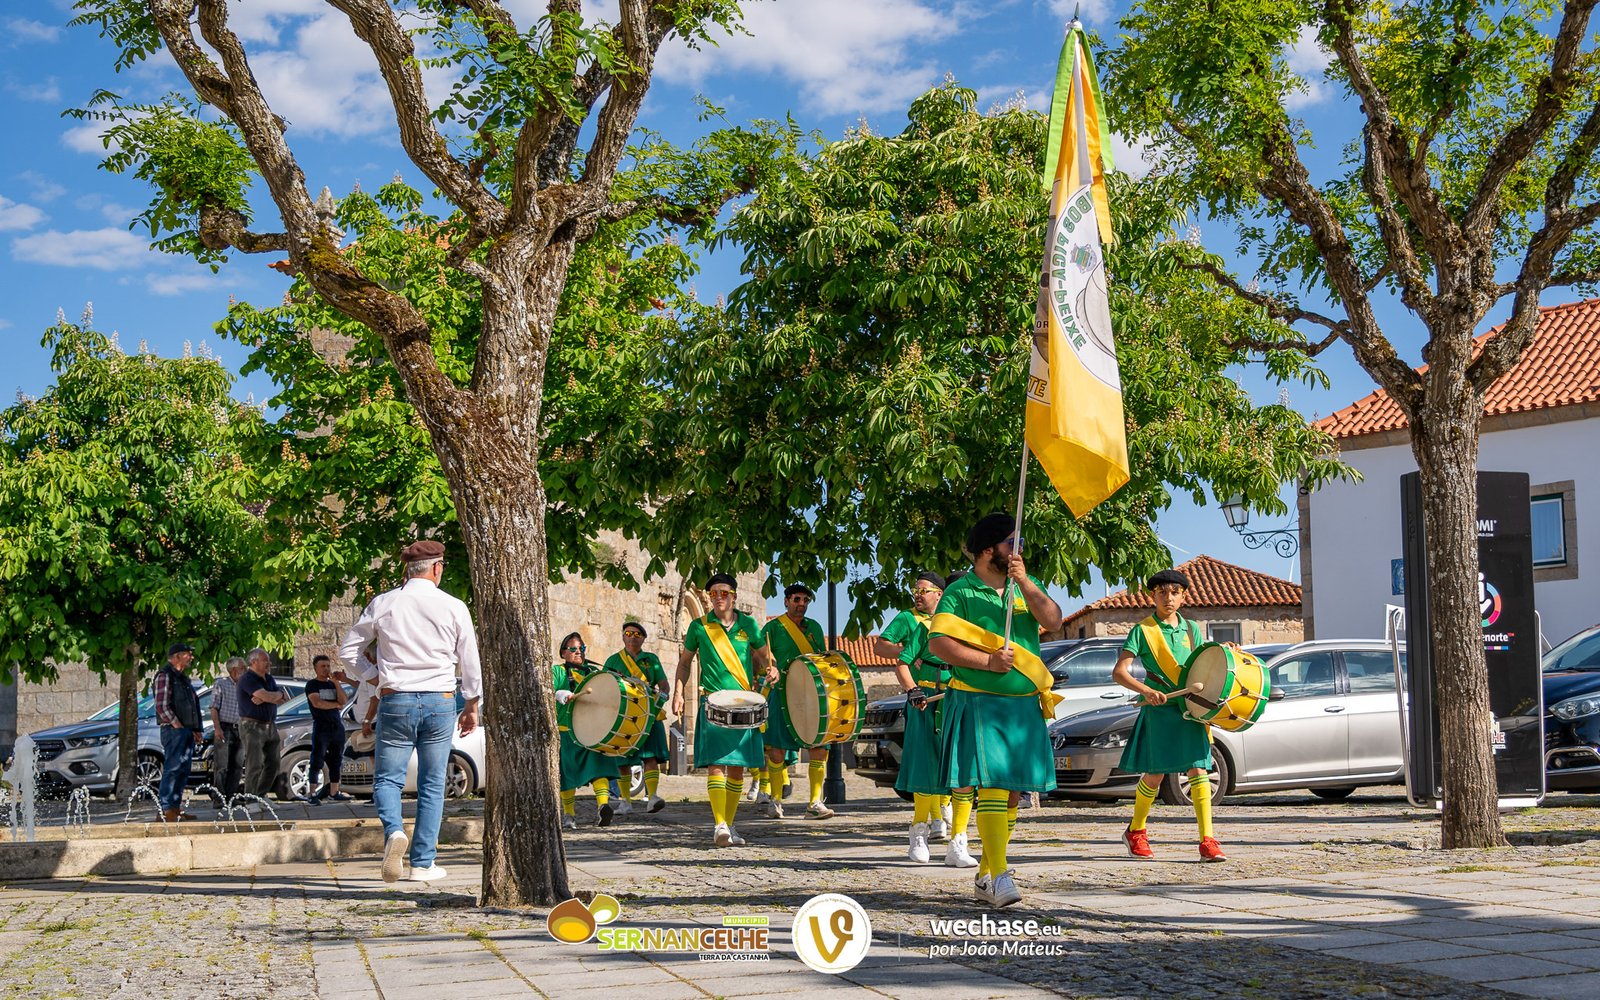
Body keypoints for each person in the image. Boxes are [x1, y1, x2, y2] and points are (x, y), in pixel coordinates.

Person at [928, 513, 1063, 908]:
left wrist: (1025, 581)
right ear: (989, 550)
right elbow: (939, 644)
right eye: (1010, 543)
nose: (1017, 549)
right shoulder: (959, 593)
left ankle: (987, 873)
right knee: (992, 784)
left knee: (1012, 792)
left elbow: (1053, 620)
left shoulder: (1024, 588)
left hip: (1023, 705)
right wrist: (987, 662)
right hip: (980, 700)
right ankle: (1000, 874)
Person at [339, 539, 481, 884]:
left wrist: (376, 677)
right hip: (439, 698)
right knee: (433, 783)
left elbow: (348, 652)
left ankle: (394, 832)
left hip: (397, 698)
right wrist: (472, 704)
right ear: (436, 568)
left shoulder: (385, 602)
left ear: (408, 569)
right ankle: (423, 863)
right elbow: (470, 659)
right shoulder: (453, 606)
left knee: (388, 778)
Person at [1111, 567, 1227, 863]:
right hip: (1160, 711)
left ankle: (1208, 840)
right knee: (1155, 774)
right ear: (1153, 595)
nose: (1168, 598)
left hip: (1190, 708)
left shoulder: (1192, 630)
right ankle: (1136, 831)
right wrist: (1145, 691)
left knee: (1199, 769)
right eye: (1162, 592)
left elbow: (1206, 666)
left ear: (1183, 596)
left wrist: (1228, 653)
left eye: (1175, 593)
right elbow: (1119, 672)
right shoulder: (1143, 631)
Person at [876, 572, 976, 868]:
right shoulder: (918, 626)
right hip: (925, 702)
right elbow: (899, 660)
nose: (918, 595)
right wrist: (913, 689)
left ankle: (958, 839)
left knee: (963, 770)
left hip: (959, 699)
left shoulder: (968, 627)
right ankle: (919, 830)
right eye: (915, 590)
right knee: (926, 767)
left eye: (924, 590)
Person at [672, 573, 777, 847]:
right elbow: (684, 664)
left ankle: (730, 825)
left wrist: (771, 667)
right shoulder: (699, 627)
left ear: (734, 596)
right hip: (713, 702)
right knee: (717, 765)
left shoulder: (749, 625)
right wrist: (678, 694)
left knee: (738, 769)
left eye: (724, 592)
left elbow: (764, 655)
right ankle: (719, 824)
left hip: (744, 702)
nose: (719, 597)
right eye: (714, 593)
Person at [759, 583, 835, 820]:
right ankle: (776, 800)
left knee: (819, 747)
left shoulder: (814, 627)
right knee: (777, 750)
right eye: (796, 599)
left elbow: (821, 659)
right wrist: (769, 667)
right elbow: (761, 657)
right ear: (786, 601)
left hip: (811, 695)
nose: (801, 604)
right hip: (781, 693)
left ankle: (814, 802)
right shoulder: (772, 628)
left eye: (805, 600)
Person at [552, 631, 619, 829]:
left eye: (582, 649)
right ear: (563, 652)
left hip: (592, 730)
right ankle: (569, 815)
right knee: (568, 774)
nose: (578, 653)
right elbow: (547, 689)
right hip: (566, 729)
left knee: (599, 767)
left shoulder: (592, 673)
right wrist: (560, 694)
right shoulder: (558, 671)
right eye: (573, 649)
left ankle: (603, 807)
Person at [602, 622, 670, 814]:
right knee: (622, 759)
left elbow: (663, 684)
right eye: (628, 633)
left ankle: (653, 796)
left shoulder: (651, 659)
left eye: (637, 634)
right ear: (623, 637)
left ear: (643, 638)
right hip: (624, 716)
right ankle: (625, 801)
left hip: (648, 712)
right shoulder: (613, 661)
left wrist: (662, 698)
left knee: (651, 757)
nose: (633, 637)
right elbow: (605, 686)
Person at [152, 642, 204, 822]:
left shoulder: (183, 678)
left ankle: (175, 808)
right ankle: (166, 809)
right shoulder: (165, 676)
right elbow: (161, 706)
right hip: (174, 731)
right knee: (173, 769)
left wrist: (196, 729)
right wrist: (178, 725)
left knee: (183, 770)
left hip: (186, 730)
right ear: (176, 657)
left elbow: (192, 705)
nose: (191, 657)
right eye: (187, 654)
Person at [238, 647, 288, 805]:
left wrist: (271, 696)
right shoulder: (247, 679)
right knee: (255, 763)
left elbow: (284, 696)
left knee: (274, 763)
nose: (269, 663)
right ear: (253, 662)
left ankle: (261, 795)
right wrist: (269, 696)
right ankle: (250, 800)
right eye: (265, 660)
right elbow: (265, 695)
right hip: (252, 726)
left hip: (270, 725)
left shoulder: (269, 678)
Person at [304, 654, 352, 802]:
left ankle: (334, 792)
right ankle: (312, 793)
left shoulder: (332, 684)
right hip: (321, 726)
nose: (326, 669)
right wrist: (335, 705)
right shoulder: (312, 685)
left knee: (336, 759)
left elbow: (343, 701)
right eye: (322, 666)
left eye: (328, 666)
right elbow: (317, 703)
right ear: (316, 668)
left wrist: (337, 683)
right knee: (317, 758)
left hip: (336, 726)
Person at [208, 656, 246, 800]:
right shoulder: (221, 684)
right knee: (222, 765)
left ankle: (231, 796)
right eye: (243, 668)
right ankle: (219, 797)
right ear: (234, 671)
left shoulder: (245, 686)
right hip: (224, 727)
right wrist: (217, 728)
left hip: (240, 728)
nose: (246, 670)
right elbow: (214, 707)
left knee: (237, 765)